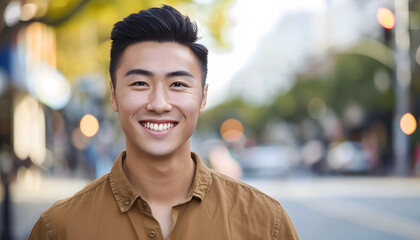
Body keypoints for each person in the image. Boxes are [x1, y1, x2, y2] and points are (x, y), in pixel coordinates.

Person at [29, 5, 299, 240]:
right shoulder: (59, 229)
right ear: (113, 95)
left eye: (178, 84)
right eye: (140, 83)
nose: (159, 104)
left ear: (203, 98)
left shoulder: (266, 223)